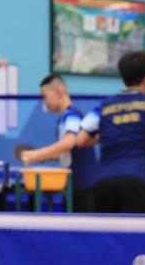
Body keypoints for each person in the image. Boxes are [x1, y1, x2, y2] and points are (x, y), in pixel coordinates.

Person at [77, 50, 145, 213]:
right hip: (136, 178)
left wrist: (110, 132)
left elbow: (80, 140)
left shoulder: (103, 106)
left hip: (103, 181)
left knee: (107, 229)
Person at [20, 74, 98, 212]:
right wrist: (47, 157)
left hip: (84, 187)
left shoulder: (71, 115)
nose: (44, 102)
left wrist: (37, 154)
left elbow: (69, 142)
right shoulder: (63, 119)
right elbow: (68, 151)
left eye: (45, 96)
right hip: (75, 186)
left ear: (59, 92)